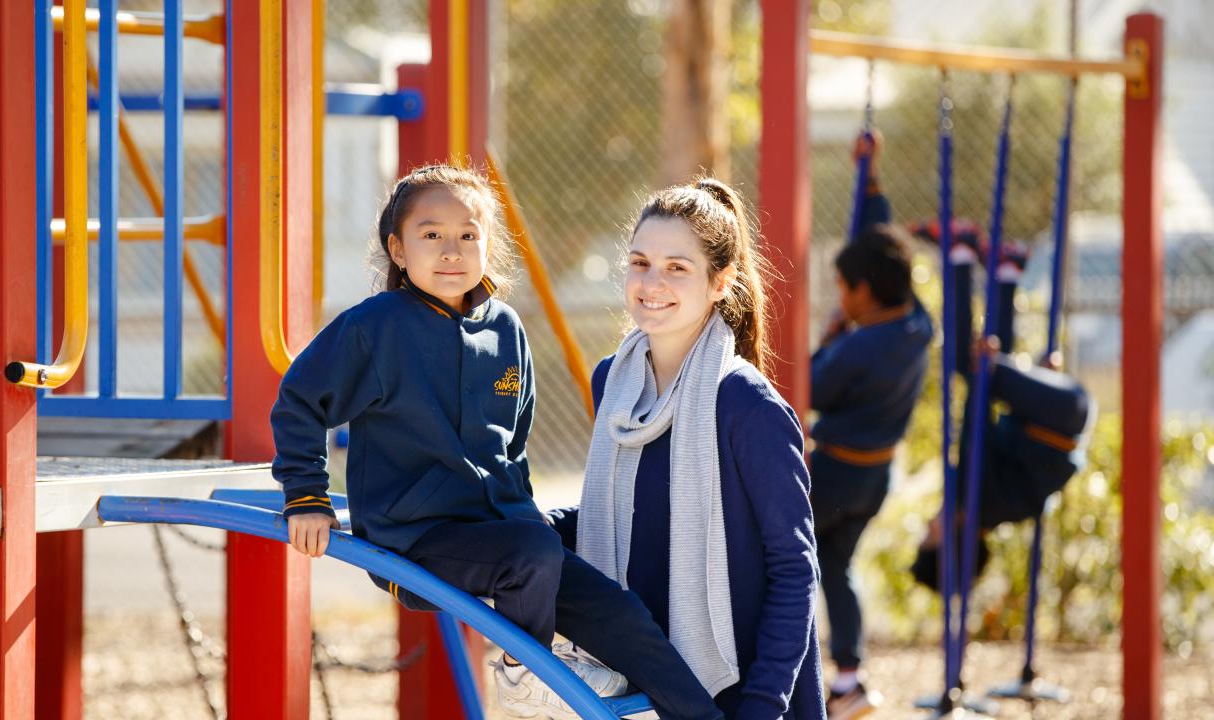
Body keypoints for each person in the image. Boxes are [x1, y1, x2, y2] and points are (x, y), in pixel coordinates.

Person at [269, 164, 723, 720]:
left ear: (488, 245)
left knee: (622, 614)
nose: (451, 250)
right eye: (431, 235)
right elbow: (299, 400)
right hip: (416, 537)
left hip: (502, 537)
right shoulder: (377, 325)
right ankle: (524, 677)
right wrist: (306, 496)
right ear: (399, 249)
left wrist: (532, 523)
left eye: (468, 235)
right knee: (531, 556)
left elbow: (513, 446)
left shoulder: (505, 328)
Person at [550, 178, 826, 719]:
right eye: (639, 262)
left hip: (746, 693)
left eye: (678, 267)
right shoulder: (615, 382)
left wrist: (763, 707)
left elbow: (795, 570)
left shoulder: (747, 405)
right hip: (647, 682)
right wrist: (532, 526)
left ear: (721, 283)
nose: (652, 282)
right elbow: (627, 511)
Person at [808, 134, 934, 720]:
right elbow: (889, 252)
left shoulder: (856, 350)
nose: (840, 296)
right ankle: (851, 679)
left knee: (778, 560)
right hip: (875, 479)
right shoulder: (917, 327)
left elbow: (807, 389)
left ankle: (790, 674)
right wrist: (872, 178)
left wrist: (829, 338)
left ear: (864, 291)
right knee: (836, 567)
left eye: (843, 287)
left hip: (829, 475)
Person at [910, 231, 1094, 589]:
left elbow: (1031, 453)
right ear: (952, 540)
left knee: (988, 375)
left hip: (1067, 413)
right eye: (929, 536)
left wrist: (1033, 378)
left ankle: (1007, 270)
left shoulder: (1001, 509)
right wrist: (986, 372)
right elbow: (975, 428)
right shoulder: (973, 495)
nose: (929, 524)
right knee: (968, 364)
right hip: (1056, 415)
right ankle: (961, 253)